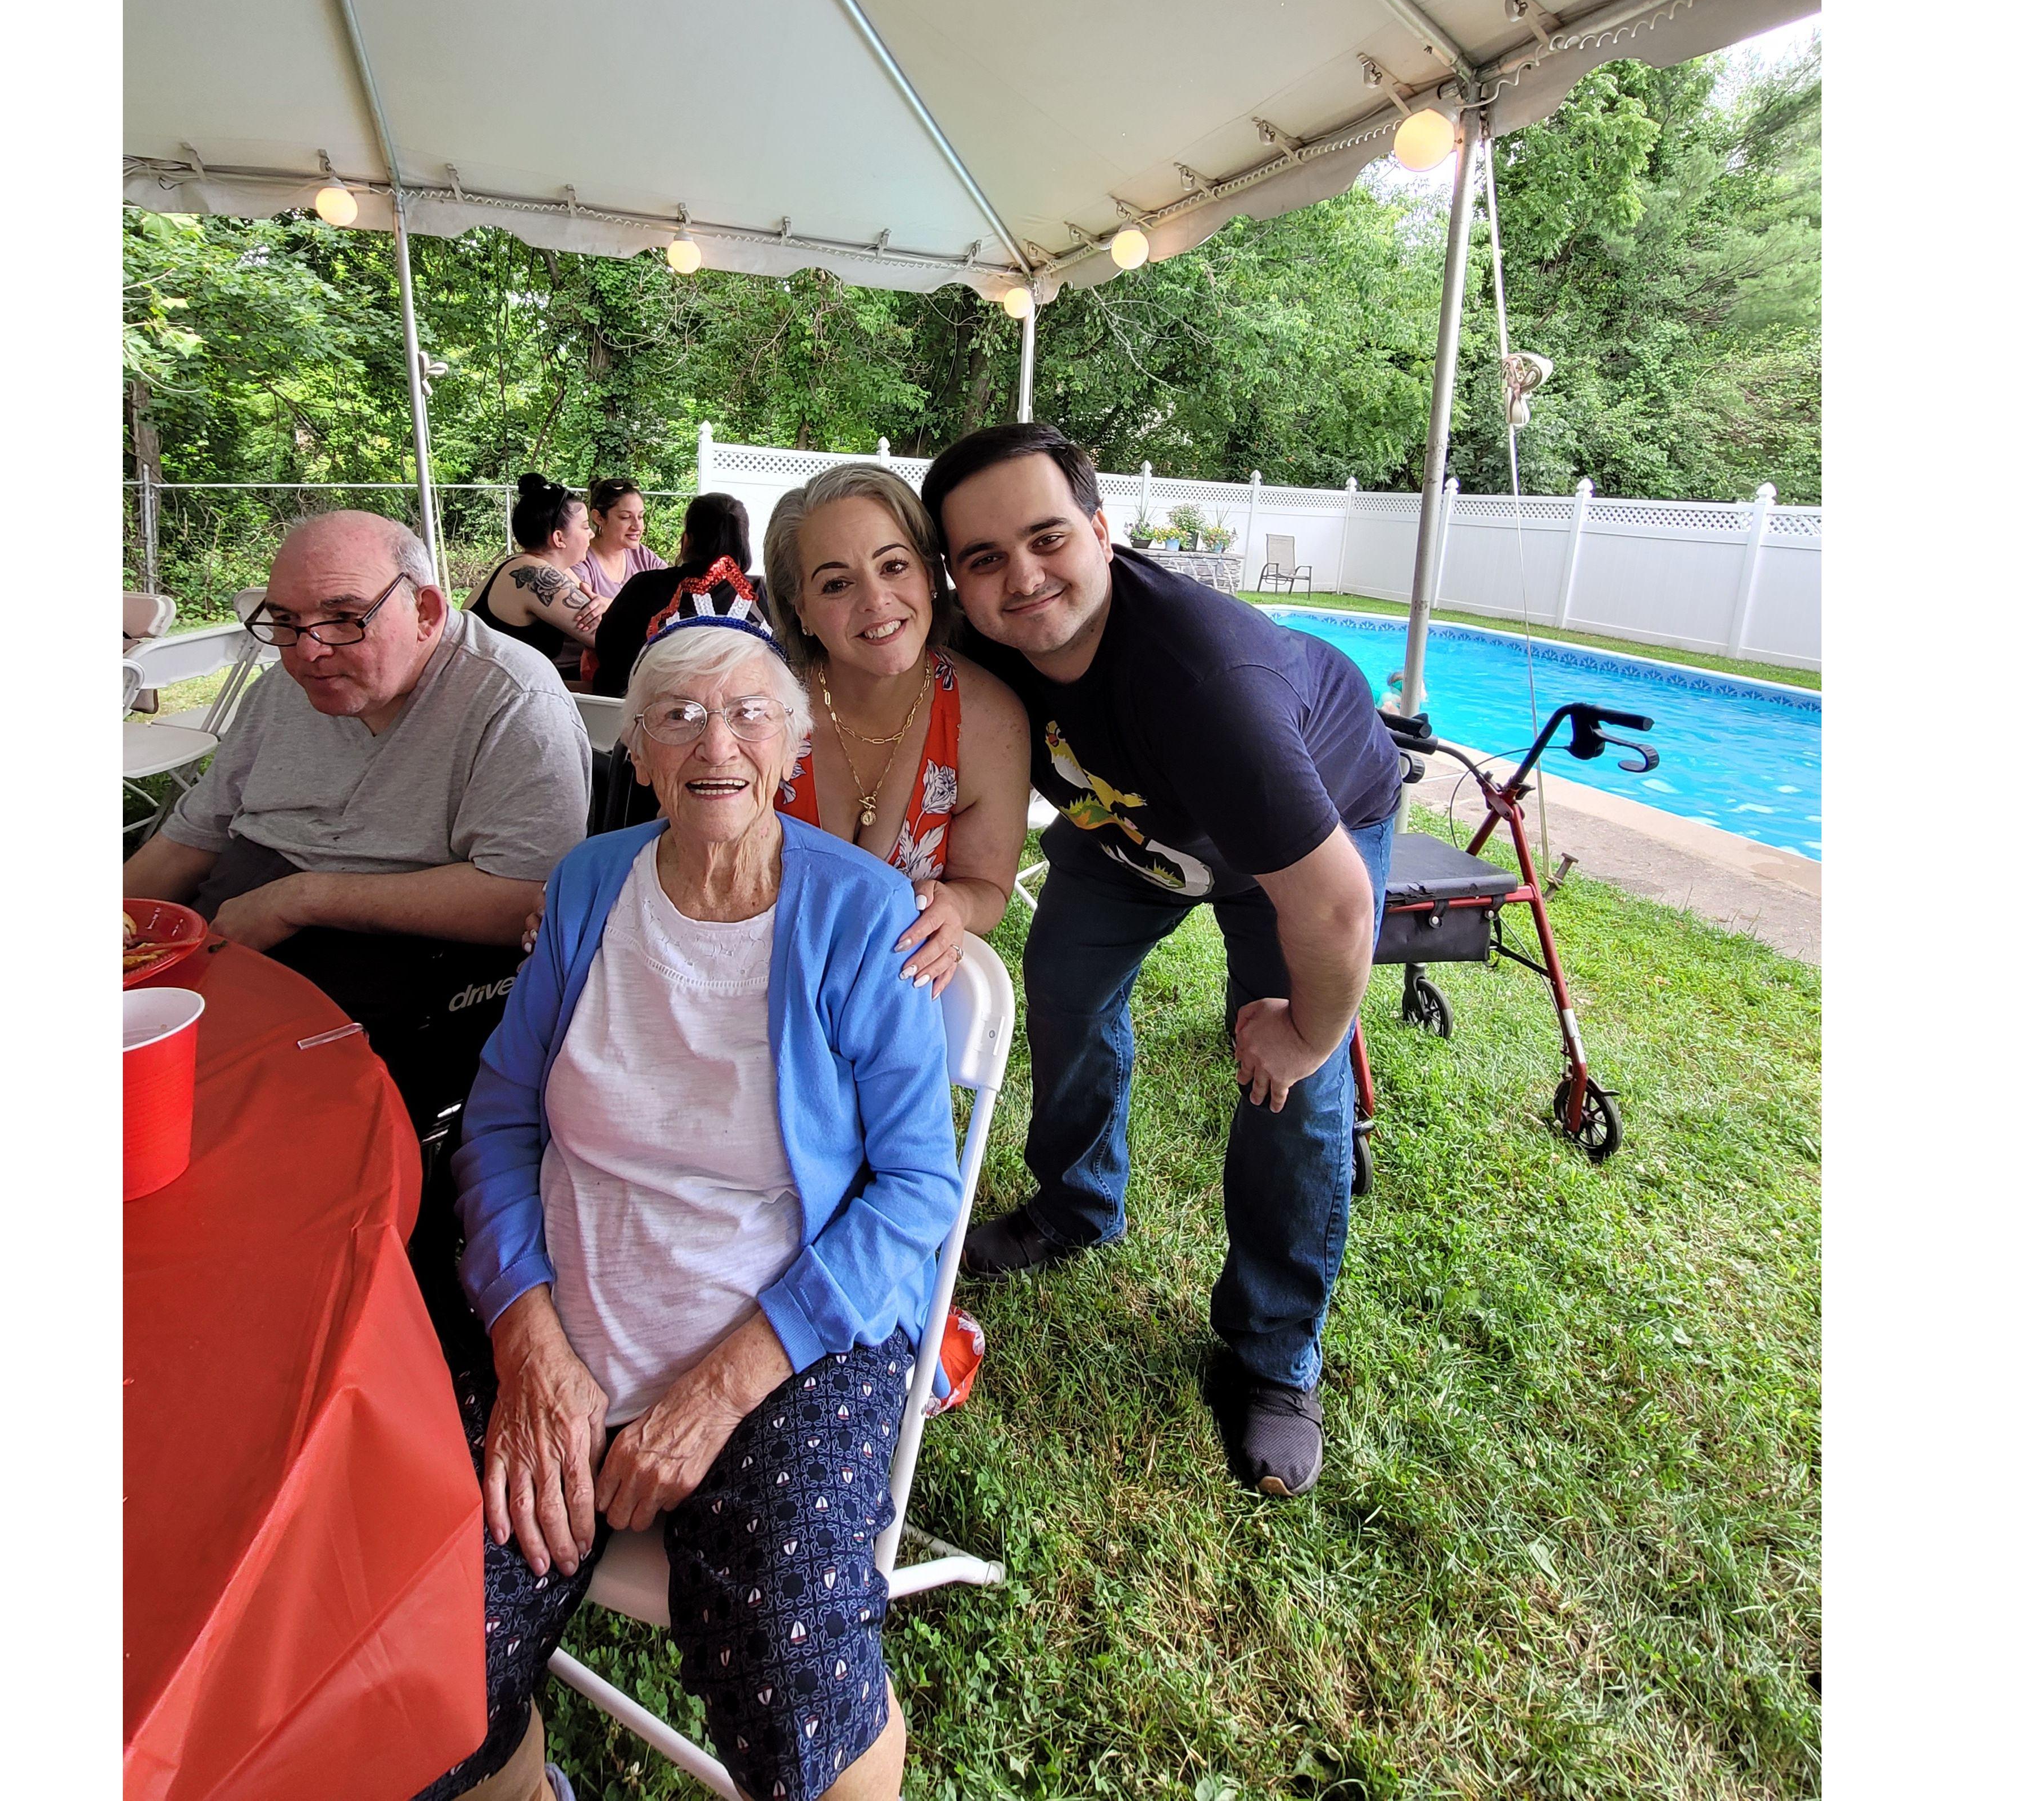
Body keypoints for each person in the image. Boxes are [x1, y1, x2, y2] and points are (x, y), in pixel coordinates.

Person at [421, 616, 958, 1801]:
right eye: (678, 716)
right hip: (570, 1301)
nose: (716, 741)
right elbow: (503, 1115)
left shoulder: (863, 912)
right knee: (429, 1611)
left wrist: (722, 1382)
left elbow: (919, 1182)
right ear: (643, 756)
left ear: (792, 741)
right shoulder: (587, 883)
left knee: (780, 1624)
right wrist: (524, 1329)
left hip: (792, 1326)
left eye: (748, 712)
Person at [921, 424, 1403, 1499]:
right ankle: (1079, 1202)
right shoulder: (978, 634)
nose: (1022, 577)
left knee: (1293, 1089)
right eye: (984, 560)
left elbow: (1333, 907)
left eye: (1049, 538)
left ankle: (1276, 1359)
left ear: (1103, 530)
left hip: (1291, 847)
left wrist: (1307, 1029)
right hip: (1127, 826)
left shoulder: (1205, 685)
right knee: (1063, 988)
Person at [122, 511, 593, 1140]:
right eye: (285, 622)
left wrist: (302, 898)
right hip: (232, 931)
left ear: (425, 610)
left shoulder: (512, 699)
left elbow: (523, 901)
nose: (308, 651)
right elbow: (194, 835)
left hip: (400, 963)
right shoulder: (285, 688)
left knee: (218, 1123)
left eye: (344, 619)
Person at [762, 463, 1029, 997]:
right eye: (837, 584)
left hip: (886, 1003)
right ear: (803, 612)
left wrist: (958, 905)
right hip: (746, 983)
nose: (875, 601)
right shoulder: (757, 706)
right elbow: (684, 853)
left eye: (894, 566)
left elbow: (988, 888)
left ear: (931, 577)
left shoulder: (988, 721)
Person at [585, 490, 764, 697]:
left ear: (687, 540)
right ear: (743, 542)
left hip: (637, 711)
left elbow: (608, 650)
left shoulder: (645, 587)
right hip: (740, 713)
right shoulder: (762, 595)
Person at [466, 472, 607, 682]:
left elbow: (602, 613)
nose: (592, 534)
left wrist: (607, 604)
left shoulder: (542, 565)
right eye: (586, 527)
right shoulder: (535, 573)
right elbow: (608, 636)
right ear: (559, 538)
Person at [572, 475, 666, 616]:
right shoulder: (581, 560)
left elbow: (676, 594)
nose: (637, 526)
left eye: (641, 517)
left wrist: (610, 604)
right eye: (625, 517)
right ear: (599, 518)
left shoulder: (642, 555)